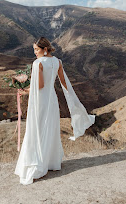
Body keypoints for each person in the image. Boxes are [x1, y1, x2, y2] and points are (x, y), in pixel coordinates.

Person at [14, 37, 95, 185]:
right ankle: (51, 162)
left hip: (40, 101)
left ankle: (38, 164)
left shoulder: (38, 63)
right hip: (52, 100)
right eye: (34, 50)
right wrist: (72, 97)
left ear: (45, 49)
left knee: (36, 130)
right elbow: (63, 81)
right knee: (49, 128)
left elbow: (39, 86)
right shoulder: (58, 61)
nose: (35, 53)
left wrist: (24, 91)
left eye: (37, 50)